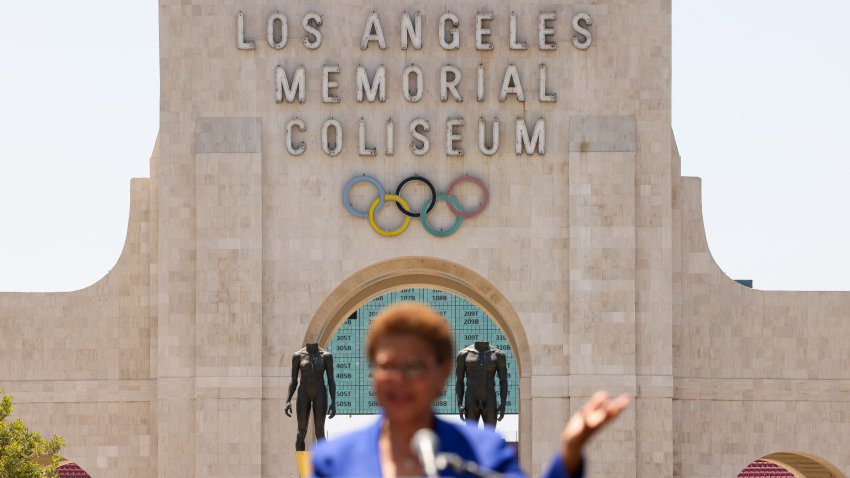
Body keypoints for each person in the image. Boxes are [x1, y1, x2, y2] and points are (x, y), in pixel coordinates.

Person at [311, 303, 629, 477]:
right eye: (386, 365)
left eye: (413, 366)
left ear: (443, 373)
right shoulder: (333, 461)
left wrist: (569, 455)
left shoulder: (483, 454)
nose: (398, 378)